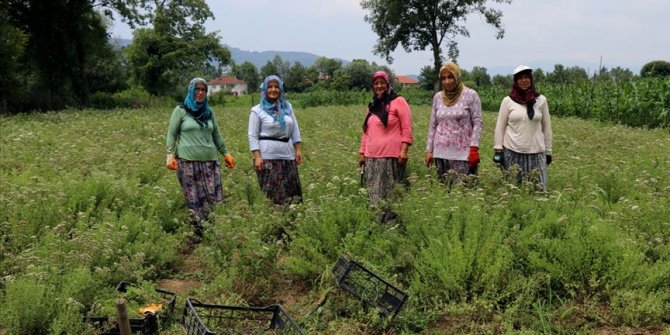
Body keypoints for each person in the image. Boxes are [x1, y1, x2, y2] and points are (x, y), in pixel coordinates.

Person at [165, 77, 235, 241]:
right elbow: (172, 134)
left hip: (210, 162)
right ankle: (198, 233)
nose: (201, 92)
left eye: (204, 90)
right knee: (193, 197)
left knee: (213, 196)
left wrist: (226, 153)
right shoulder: (180, 111)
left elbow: (216, 135)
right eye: (197, 89)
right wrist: (170, 155)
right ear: (191, 91)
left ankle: (213, 230)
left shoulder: (209, 113)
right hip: (187, 162)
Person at [358, 70, 413, 222]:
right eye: (376, 83)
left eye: (382, 83)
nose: (379, 86)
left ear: (388, 84)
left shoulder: (398, 102)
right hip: (371, 158)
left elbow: (407, 127)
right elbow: (366, 131)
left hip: (391, 157)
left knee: (390, 195)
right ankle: (377, 226)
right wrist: (362, 153)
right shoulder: (372, 105)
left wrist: (404, 150)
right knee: (374, 195)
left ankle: (392, 228)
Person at [493, 65, 553, 192]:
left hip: (536, 152)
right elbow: (500, 127)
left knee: (539, 191)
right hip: (513, 151)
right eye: (520, 78)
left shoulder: (541, 101)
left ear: (531, 79)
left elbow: (547, 127)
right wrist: (498, 149)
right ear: (515, 81)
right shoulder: (508, 101)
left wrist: (548, 151)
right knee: (514, 190)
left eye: (526, 77)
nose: (524, 80)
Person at [424, 62, 483, 185]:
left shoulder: (470, 95)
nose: (447, 82)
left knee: (464, 192)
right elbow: (433, 124)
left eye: (450, 77)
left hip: (463, 154)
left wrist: (474, 149)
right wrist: (429, 150)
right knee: (445, 191)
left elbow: (477, 122)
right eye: (443, 78)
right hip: (440, 153)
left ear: (457, 77)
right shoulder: (438, 97)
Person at [248, 75, 303, 205]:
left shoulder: (287, 107)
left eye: (276, 87)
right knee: (273, 196)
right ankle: (275, 223)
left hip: (288, 157)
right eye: (270, 87)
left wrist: (298, 149)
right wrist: (257, 157)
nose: (273, 90)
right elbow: (252, 135)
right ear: (265, 90)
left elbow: (295, 129)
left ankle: (290, 223)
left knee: (292, 194)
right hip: (267, 158)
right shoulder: (257, 110)